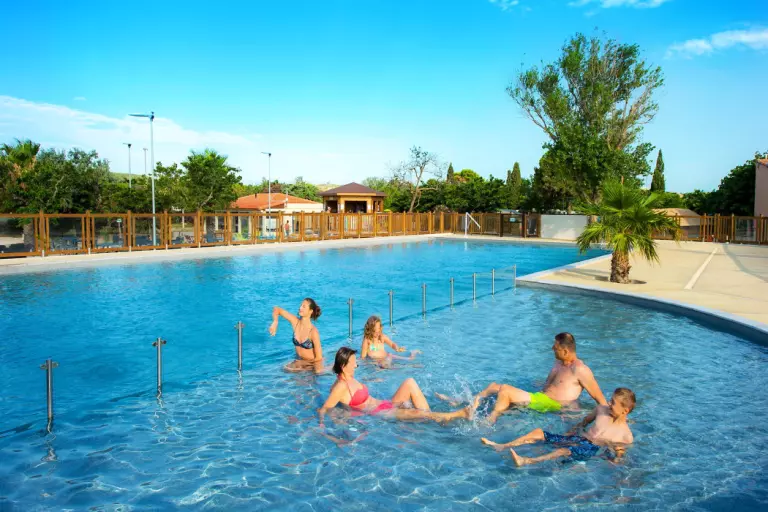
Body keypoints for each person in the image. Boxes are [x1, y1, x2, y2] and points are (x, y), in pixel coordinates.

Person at [441, 333, 606, 424]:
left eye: (555, 347)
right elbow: (555, 384)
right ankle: (465, 402)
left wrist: (609, 419)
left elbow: (600, 400)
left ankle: (490, 420)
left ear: (565, 351)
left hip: (551, 405)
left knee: (505, 390)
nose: (552, 349)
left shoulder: (581, 370)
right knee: (493, 386)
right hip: (540, 397)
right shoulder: (559, 362)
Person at [480, 388, 636, 466]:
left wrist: (616, 461)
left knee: (563, 450)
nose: (609, 403)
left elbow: (619, 453)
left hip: (590, 449)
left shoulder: (625, 435)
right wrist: (571, 431)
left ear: (625, 410)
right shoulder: (601, 410)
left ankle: (527, 461)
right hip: (578, 438)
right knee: (539, 432)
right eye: (610, 400)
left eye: (613, 403)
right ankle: (502, 446)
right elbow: (584, 422)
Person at [318, 347, 470, 425]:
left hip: (385, 404)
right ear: (344, 366)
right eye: (353, 362)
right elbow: (325, 408)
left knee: (410, 382)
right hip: (380, 412)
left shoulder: (347, 378)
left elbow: (335, 392)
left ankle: (433, 418)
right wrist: (322, 425)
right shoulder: (341, 386)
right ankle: (454, 415)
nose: (356, 364)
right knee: (417, 413)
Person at [269, 298, 323, 371]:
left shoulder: (313, 332)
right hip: (299, 362)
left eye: (304, 306)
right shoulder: (295, 322)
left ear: (310, 311)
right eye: (300, 305)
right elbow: (277, 309)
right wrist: (275, 322)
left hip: (312, 365)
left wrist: (302, 363)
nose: (300, 308)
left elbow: (319, 358)